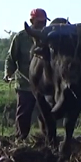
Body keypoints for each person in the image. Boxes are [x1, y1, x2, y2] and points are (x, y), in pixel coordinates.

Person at [4, 8, 49, 140]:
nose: (42, 25)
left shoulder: (49, 37)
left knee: (46, 114)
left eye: (44, 22)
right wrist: (8, 73)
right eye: (39, 22)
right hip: (25, 83)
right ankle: (20, 140)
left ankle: (48, 140)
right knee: (24, 113)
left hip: (44, 85)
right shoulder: (20, 38)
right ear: (31, 21)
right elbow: (11, 58)